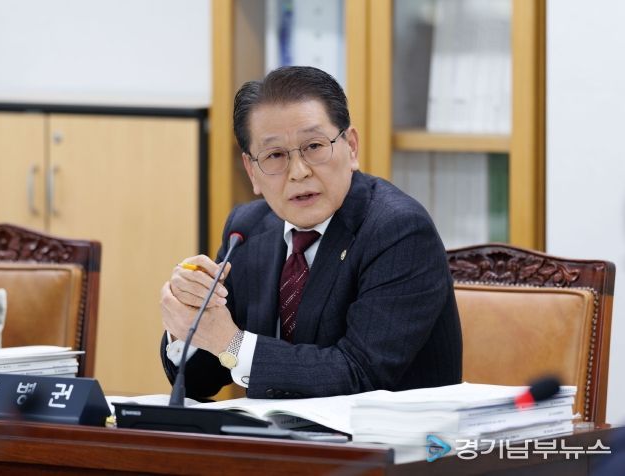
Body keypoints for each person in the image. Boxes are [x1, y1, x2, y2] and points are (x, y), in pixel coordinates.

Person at [160, 66, 462, 400]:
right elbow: (202, 381)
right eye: (275, 155)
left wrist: (230, 342)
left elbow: (359, 374)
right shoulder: (247, 230)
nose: (299, 172)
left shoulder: (399, 231)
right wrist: (186, 324)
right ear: (252, 171)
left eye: (314, 146)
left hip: (389, 432)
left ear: (351, 147)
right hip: (275, 432)